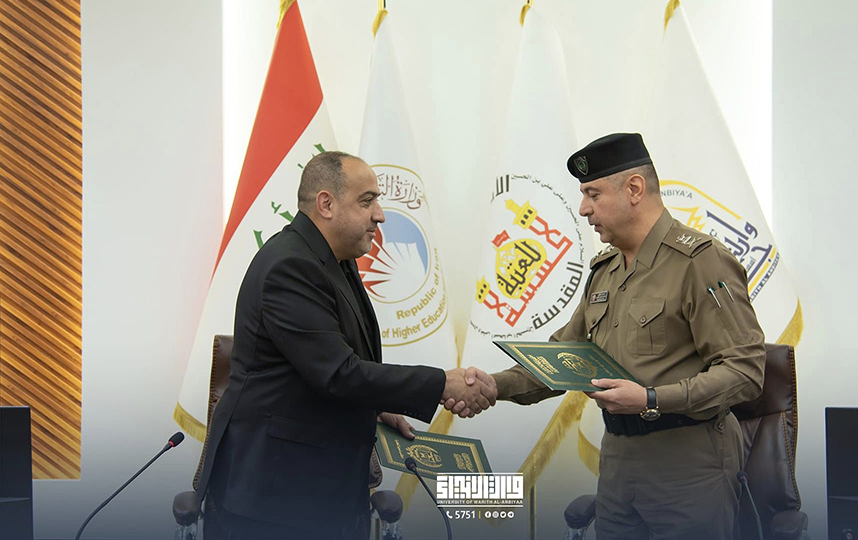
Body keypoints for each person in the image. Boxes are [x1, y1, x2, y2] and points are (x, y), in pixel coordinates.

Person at [458, 133, 766, 540]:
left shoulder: (699, 261)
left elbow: (745, 371)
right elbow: (565, 357)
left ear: (634, 189)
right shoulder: (605, 269)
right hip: (619, 465)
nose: (583, 208)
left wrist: (652, 399)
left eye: (593, 194)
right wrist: (493, 386)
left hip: (687, 466)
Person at [197, 151, 495, 539]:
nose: (380, 215)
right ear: (326, 204)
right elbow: (338, 374)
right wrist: (442, 383)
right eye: (367, 201)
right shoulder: (290, 266)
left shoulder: (335, 259)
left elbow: (338, 360)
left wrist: (376, 405)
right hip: (274, 497)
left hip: (318, 489)